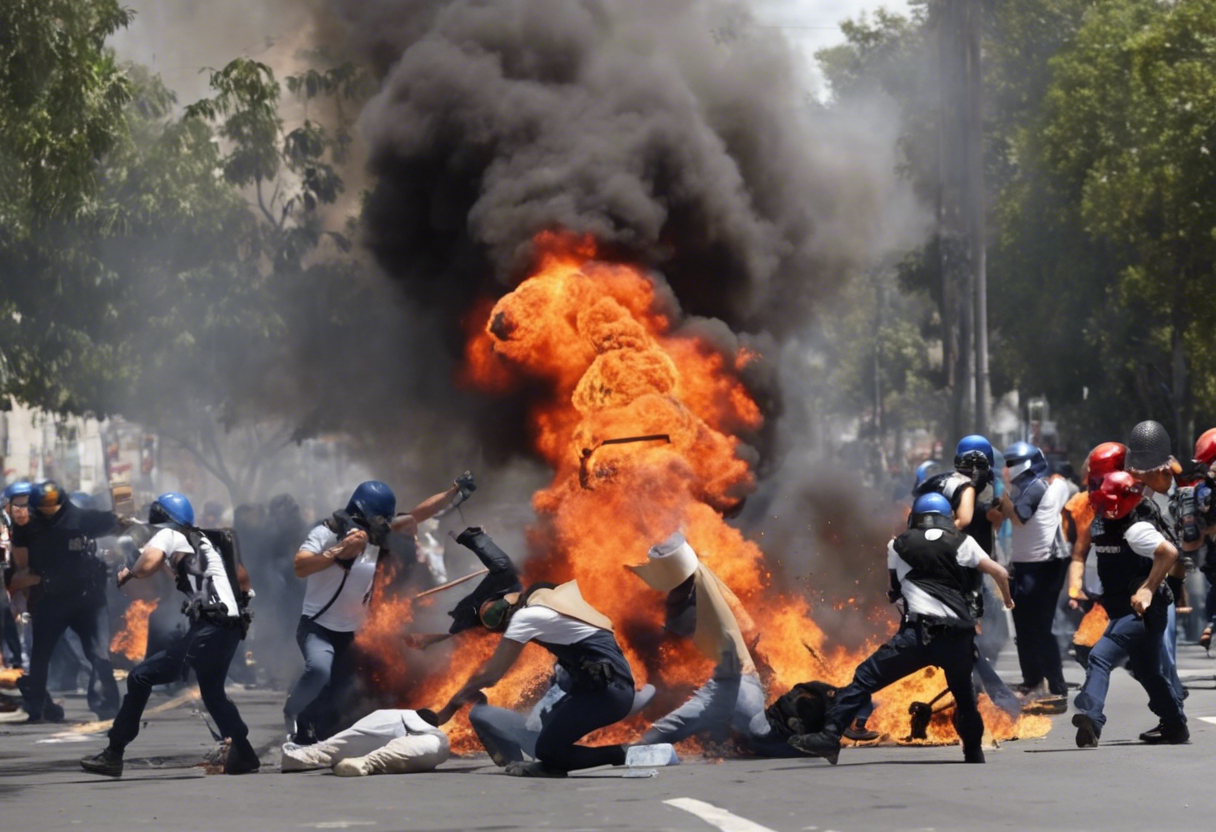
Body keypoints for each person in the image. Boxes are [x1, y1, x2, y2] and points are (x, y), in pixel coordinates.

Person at [788, 492, 1014, 764]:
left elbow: (893, 591)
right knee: (965, 699)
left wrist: (900, 595)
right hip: (957, 639)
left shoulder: (897, 545)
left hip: (918, 638)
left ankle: (830, 736)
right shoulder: (963, 542)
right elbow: (1000, 573)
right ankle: (973, 751)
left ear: (914, 518)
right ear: (946, 518)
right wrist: (1008, 600)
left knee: (865, 677)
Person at [80, 492, 260, 777]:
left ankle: (113, 753)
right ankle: (245, 753)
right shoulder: (203, 540)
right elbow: (235, 578)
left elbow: (148, 564)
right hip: (229, 628)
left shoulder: (168, 535)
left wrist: (129, 570)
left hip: (210, 629)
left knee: (140, 676)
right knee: (212, 693)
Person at [284, 475, 473, 743]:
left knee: (343, 692)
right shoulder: (325, 532)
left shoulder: (380, 536)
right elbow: (300, 566)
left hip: (352, 633)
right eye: (379, 519)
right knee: (320, 670)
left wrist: (453, 490)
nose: (384, 525)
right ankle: (292, 711)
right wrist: (338, 552)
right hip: (318, 626)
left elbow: (420, 513)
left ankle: (315, 732)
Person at [435, 573, 668, 777]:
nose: (499, 628)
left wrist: (452, 705)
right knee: (545, 741)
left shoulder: (526, 617)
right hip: (609, 690)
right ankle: (553, 761)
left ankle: (622, 753)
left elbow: (492, 675)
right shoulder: (557, 611)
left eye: (496, 617)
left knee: (548, 752)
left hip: (606, 695)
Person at [626, 531, 796, 756]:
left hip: (731, 689)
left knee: (664, 732)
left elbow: (677, 625)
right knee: (754, 738)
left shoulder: (689, 602)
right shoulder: (704, 580)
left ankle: (622, 751)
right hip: (744, 685)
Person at [1072, 471, 1188, 746]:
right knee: (1147, 671)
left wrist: (1147, 588)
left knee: (1099, 656)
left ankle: (1091, 717)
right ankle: (1175, 726)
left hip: (1144, 611)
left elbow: (1170, 553)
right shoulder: (1100, 525)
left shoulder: (1137, 528)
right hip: (1121, 609)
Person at [8, 480, 122, 722]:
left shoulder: (81, 518)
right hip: (53, 599)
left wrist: (122, 495)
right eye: (44, 506)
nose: (49, 511)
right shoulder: (28, 526)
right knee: (40, 655)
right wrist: (30, 590)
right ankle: (36, 708)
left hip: (88, 601)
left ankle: (107, 706)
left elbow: (121, 521)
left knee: (99, 653)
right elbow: (21, 566)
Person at [998, 442, 1070, 700]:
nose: (1005, 471)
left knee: (1038, 628)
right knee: (1025, 627)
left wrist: (998, 493)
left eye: (1009, 464)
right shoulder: (1031, 487)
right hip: (1028, 567)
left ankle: (1055, 684)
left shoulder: (1033, 488)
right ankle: (1034, 680)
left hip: (1041, 568)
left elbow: (1017, 517)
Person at [281, 708, 450, 776]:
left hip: (378, 726)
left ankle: (297, 757)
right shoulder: (432, 735)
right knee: (436, 747)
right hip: (403, 730)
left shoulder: (385, 712)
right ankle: (365, 763)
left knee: (328, 750)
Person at [1, 482, 32, 671]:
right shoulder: (7, 527)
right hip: (10, 585)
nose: (22, 510)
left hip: (30, 585)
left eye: (26, 505)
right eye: (18, 505)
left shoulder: (37, 527)